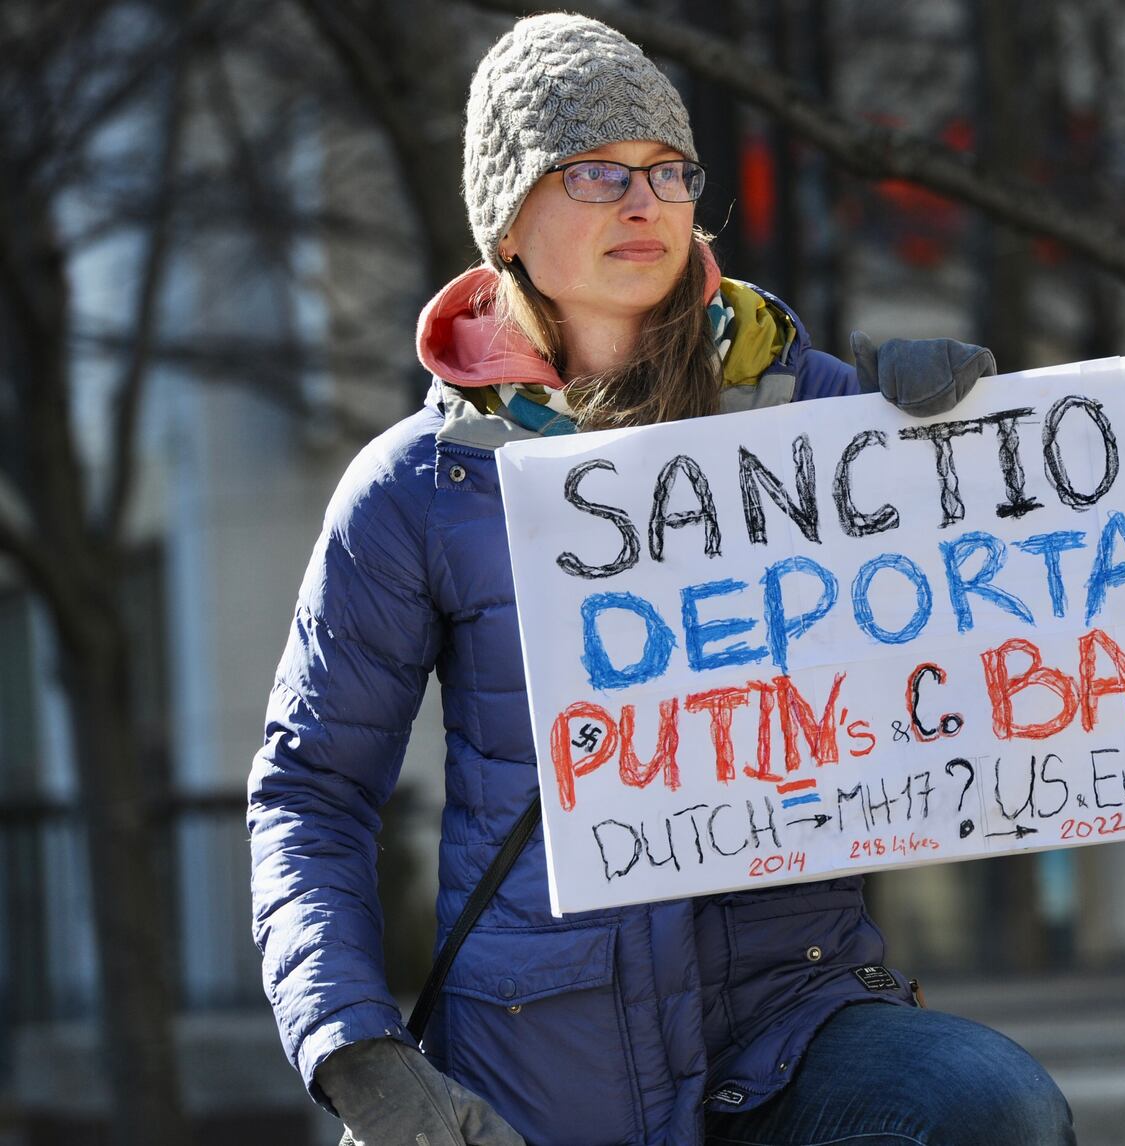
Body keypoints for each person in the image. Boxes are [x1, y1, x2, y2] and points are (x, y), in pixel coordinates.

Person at [247, 13, 1076, 1146]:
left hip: (795, 1013)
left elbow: (1016, 607)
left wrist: (957, 444)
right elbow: (311, 791)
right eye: (594, 172)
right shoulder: (418, 488)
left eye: (667, 172)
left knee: (991, 1113)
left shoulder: (818, 419)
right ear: (507, 219)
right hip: (543, 1063)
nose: (643, 203)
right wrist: (355, 1051)